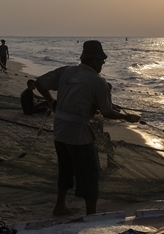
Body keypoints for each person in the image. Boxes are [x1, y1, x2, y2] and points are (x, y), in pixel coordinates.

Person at [35, 40, 140, 216]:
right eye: (101, 60)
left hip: (59, 130)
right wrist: (127, 117)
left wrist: (51, 101)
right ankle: (91, 215)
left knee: (65, 169)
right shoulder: (98, 81)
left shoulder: (65, 71)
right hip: (78, 133)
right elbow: (107, 112)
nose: (103, 63)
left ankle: (60, 206)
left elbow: (39, 83)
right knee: (90, 174)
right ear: (93, 60)